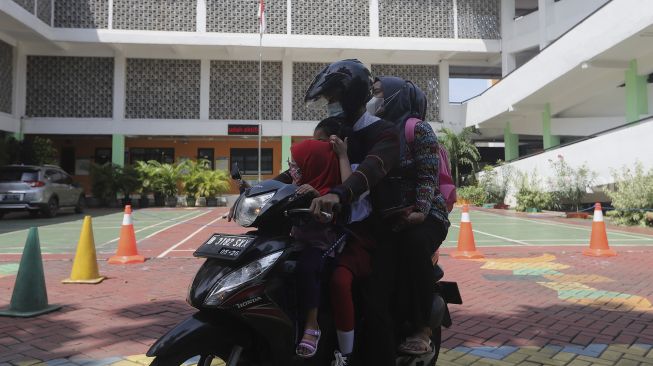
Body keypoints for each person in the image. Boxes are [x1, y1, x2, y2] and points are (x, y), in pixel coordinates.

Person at [305, 59, 400, 366]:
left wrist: (339, 193)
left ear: (350, 95)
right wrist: (262, 188)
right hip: (337, 230)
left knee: (375, 307)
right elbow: (304, 167)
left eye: (333, 98)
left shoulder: (385, 133)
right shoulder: (336, 131)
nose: (330, 105)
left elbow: (370, 171)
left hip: (374, 233)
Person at [367, 76, 450, 355]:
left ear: (394, 97)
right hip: (391, 215)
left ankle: (422, 328)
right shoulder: (376, 131)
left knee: (413, 244)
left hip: (426, 214)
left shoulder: (417, 128)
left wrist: (421, 211)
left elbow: (428, 176)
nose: (373, 99)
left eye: (378, 93)